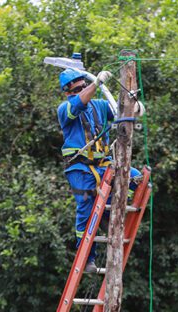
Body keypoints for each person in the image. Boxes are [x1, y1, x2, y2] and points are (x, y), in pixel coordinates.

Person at [56, 67, 144, 272]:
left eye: (85, 86)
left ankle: (110, 215)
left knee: (136, 178)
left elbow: (120, 112)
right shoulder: (65, 109)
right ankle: (87, 258)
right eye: (78, 88)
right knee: (86, 209)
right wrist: (96, 84)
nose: (84, 89)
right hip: (80, 168)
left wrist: (135, 108)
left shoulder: (100, 106)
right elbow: (78, 104)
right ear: (68, 91)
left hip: (103, 165)